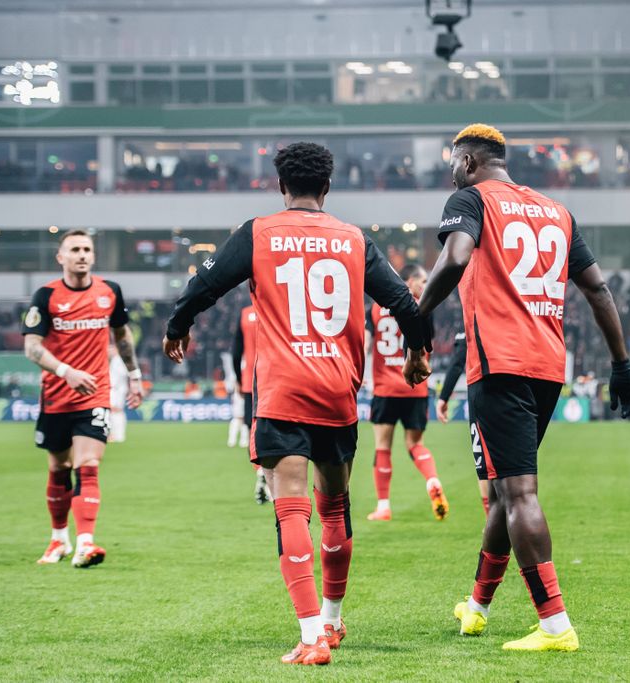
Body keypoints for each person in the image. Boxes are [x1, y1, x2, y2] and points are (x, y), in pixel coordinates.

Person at [162, 142, 430, 666]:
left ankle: (310, 637)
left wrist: (178, 324)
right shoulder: (355, 240)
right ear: (327, 188)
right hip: (338, 392)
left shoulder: (259, 232)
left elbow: (206, 283)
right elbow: (404, 302)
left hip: (283, 390)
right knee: (335, 506)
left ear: (281, 185)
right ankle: (330, 619)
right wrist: (419, 353)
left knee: (291, 506)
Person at [413, 124, 630, 652]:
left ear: (469, 162)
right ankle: (476, 607)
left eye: (453, 163)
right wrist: (622, 364)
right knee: (502, 489)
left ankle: (555, 625)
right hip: (546, 366)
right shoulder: (556, 211)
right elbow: (597, 288)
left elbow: (455, 258)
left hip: (499, 363)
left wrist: (415, 316)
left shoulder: (470, 198)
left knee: (517, 493)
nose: (451, 172)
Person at [22, 230, 145, 568]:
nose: (82, 254)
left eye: (87, 249)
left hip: (95, 395)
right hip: (56, 396)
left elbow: (122, 335)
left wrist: (134, 376)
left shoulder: (110, 292)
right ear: (60, 257)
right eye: (74, 249)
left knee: (87, 465)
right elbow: (31, 347)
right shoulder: (45, 296)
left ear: (94, 256)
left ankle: (85, 544)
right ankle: (59, 539)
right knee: (59, 467)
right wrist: (66, 372)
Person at [366, 262, 448, 522]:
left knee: (382, 447)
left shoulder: (376, 308)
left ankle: (383, 506)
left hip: (384, 388)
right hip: (414, 387)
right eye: (422, 281)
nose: (425, 286)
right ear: (408, 281)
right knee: (415, 444)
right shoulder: (422, 306)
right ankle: (432, 479)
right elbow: (427, 348)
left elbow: (366, 343)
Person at [436, 330, 490, 516]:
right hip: (519, 393)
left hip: (484, 394)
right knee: (517, 468)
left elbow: (458, 362)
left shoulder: (473, 310)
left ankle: (492, 523)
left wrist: (443, 397)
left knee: (485, 463)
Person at [229, 300, 271, 504]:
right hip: (275, 380)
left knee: (252, 431)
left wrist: (239, 378)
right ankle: (271, 479)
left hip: (250, 383)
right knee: (276, 431)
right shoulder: (278, 307)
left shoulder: (245, 314)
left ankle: (260, 471)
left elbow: (235, 352)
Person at [108, 343, 130, 443]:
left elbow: (117, 378)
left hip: (116, 390)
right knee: (114, 411)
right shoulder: (115, 361)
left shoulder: (118, 361)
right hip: (116, 390)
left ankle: (118, 435)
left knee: (116, 411)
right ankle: (114, 434)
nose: (108, 351)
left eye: (110, 348)